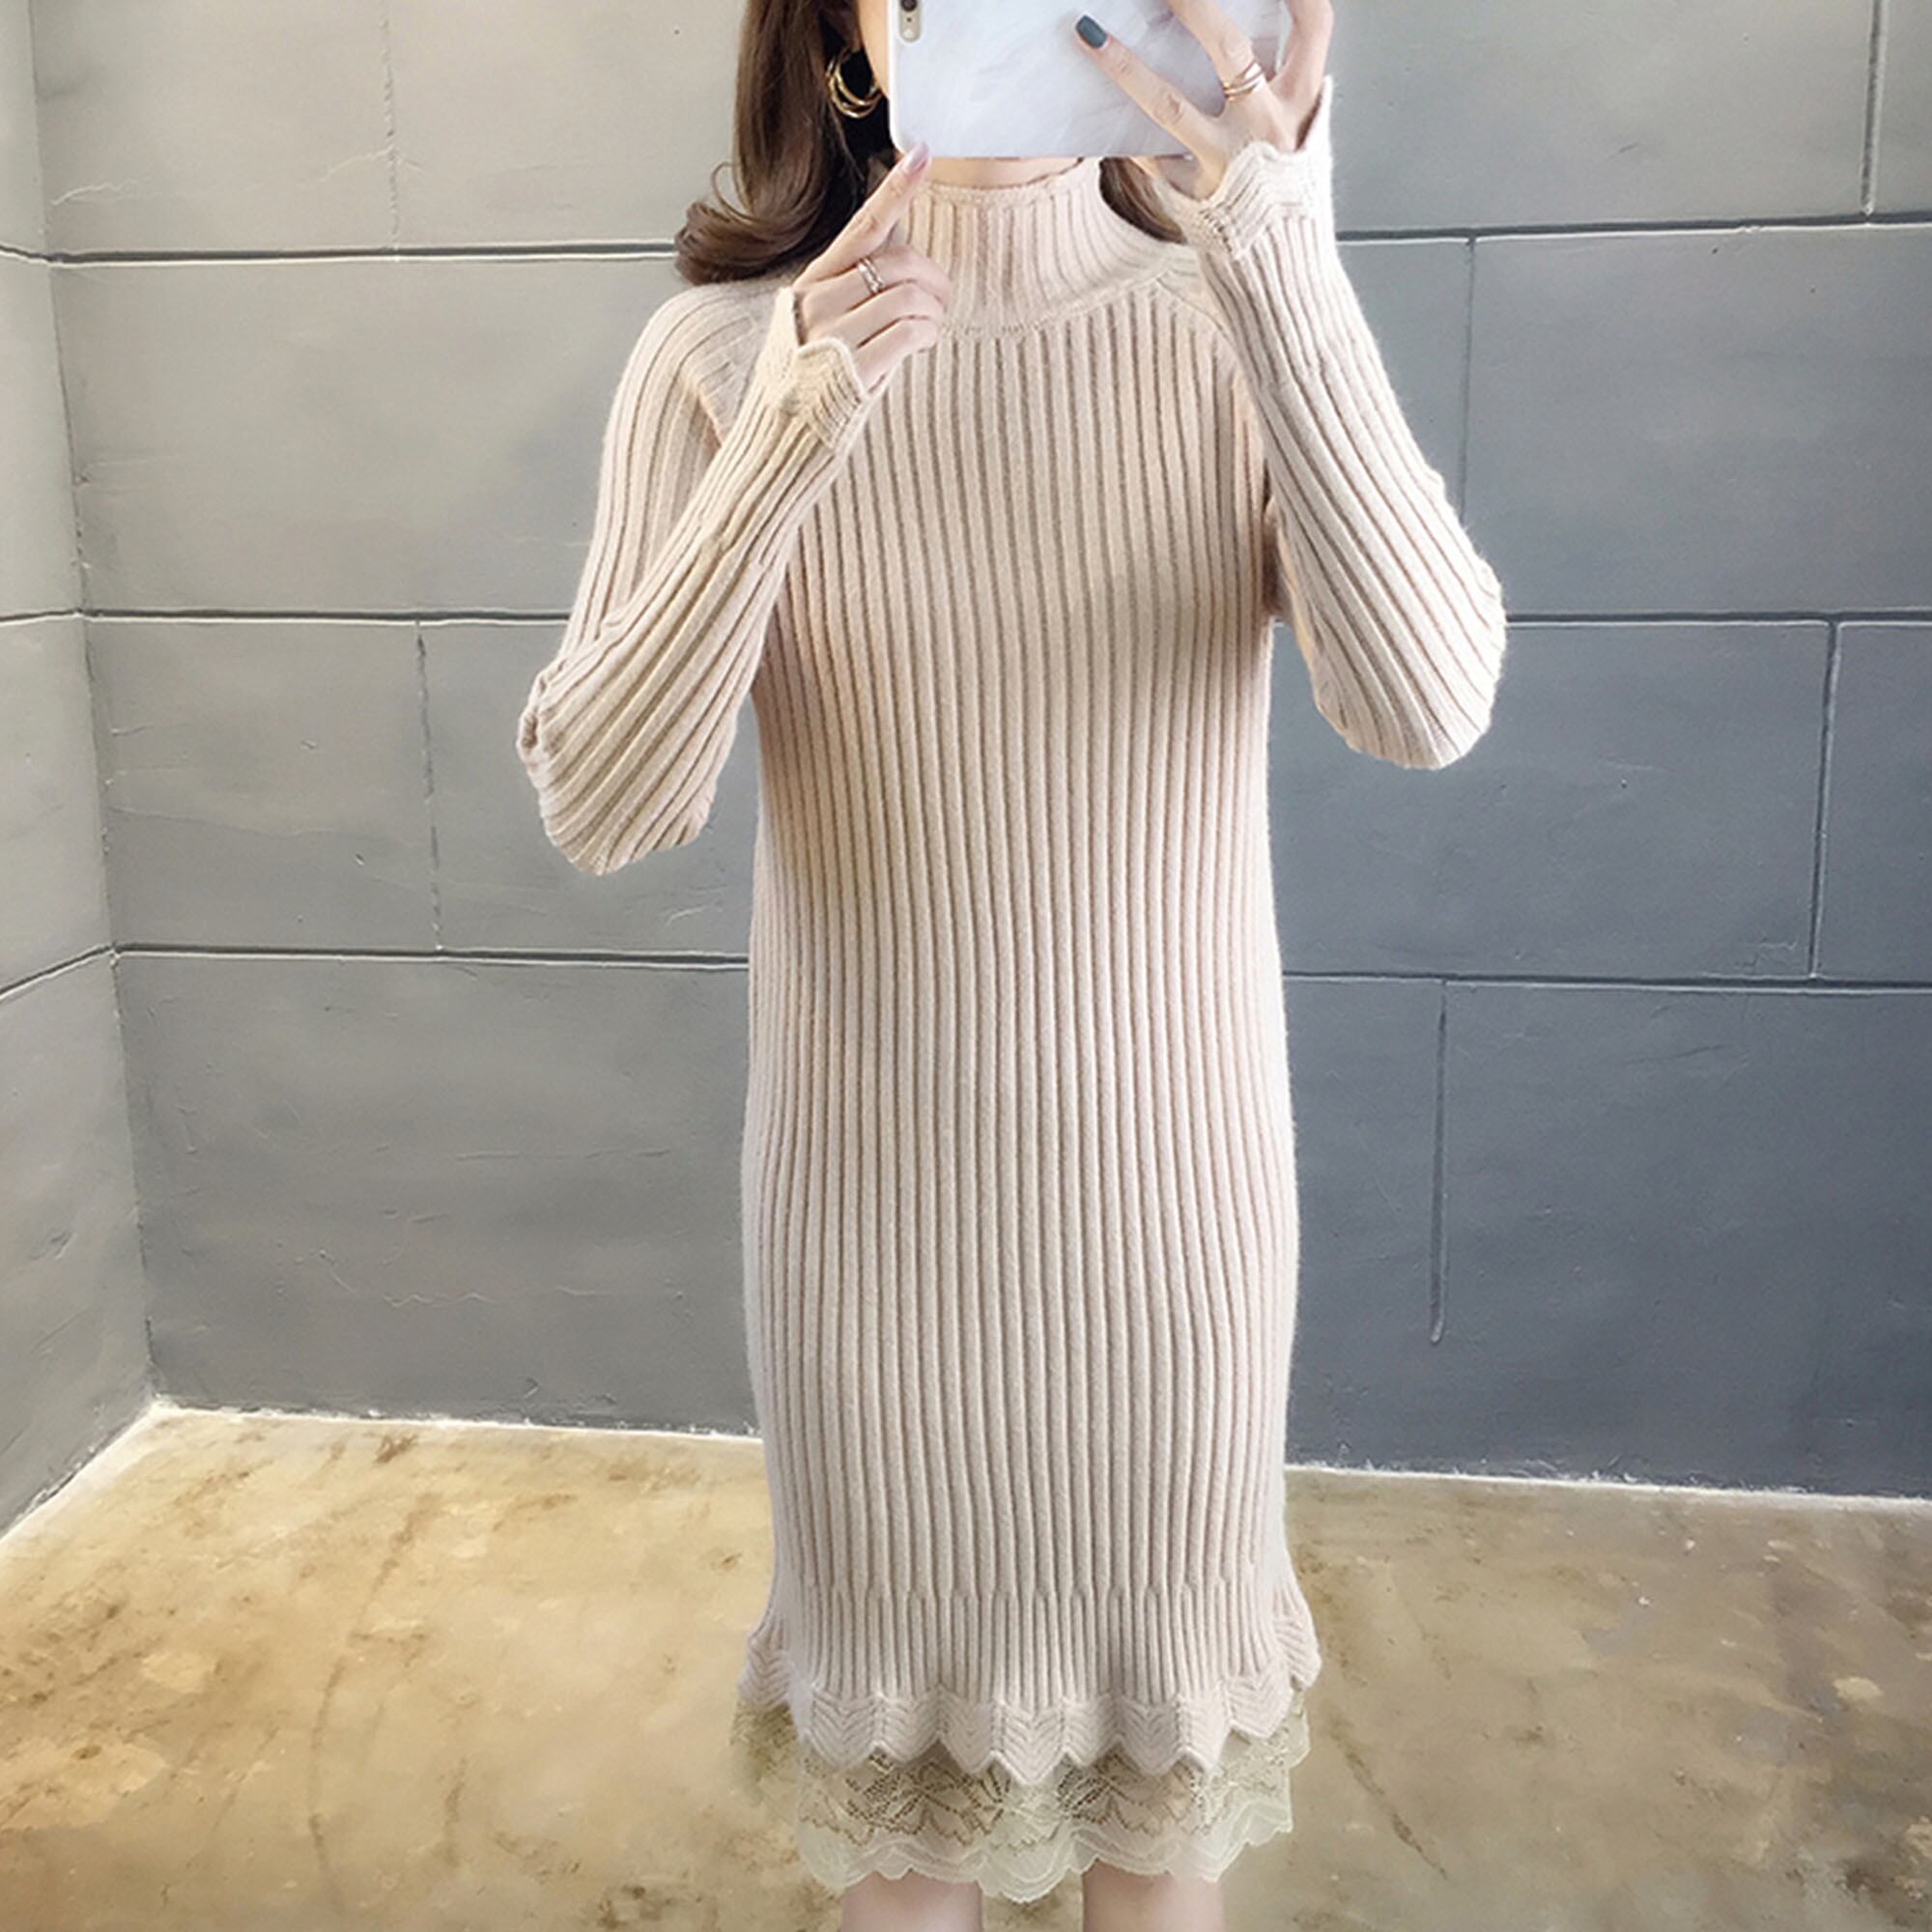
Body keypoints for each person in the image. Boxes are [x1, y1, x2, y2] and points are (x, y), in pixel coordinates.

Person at [517, 0, 1508, 1923]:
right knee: (903, 1853)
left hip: (1175, 1227)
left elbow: (1427, 702)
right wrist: (793, 431)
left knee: (1156, 1843)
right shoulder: (720, 358)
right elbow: (607, 804)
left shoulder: (1230, 314)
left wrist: (1281, 250)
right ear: (847, 35)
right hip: (869, 1236)